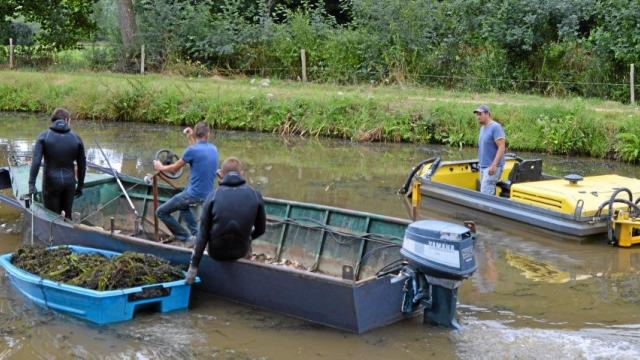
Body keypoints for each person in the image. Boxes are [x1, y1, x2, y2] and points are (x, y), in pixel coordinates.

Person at [186, 157, 266, 284]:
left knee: (206, 230)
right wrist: (248, 237)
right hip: (241, 251)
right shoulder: (255, 195)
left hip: (216, 253)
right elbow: (261, 229)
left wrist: (193, 267)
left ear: (221, 174)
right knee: (248, 233)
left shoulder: (213, 195)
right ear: (242, 173)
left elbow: (203, 235)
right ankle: (244, 269)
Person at [153, 122, 218, 243]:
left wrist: (160, 167)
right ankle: (197, 235)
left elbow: (174, 169)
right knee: (182, 206)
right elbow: (197, 150)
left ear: (196, 133)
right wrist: (190, 137)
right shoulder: (213, 149)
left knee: (161, 212)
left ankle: (186, 238)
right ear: (208, 135)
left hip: (193, 195)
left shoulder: (192, 150)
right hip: (208, 195)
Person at [28, 108, 86, 219]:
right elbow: (82, 165)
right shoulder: (76, 138)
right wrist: (80, 185)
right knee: (67, 215)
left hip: (51, 183)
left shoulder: (43, 136)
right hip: (70, 183)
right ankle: (69, 234)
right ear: (67, 119)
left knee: (51, 217)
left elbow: (36, 161)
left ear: (53, 120)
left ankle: (52, 235)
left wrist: (31, 184)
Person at [474, 104, 506, 195]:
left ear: (487, 114)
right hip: (483, 166)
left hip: (492, 167)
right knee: (486, 191)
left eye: (480, 114)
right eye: (477, 114)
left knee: (486, 194)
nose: (478, 117)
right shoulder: (482, 128)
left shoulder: (496, 127)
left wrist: (494, 165)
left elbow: (501, 147)